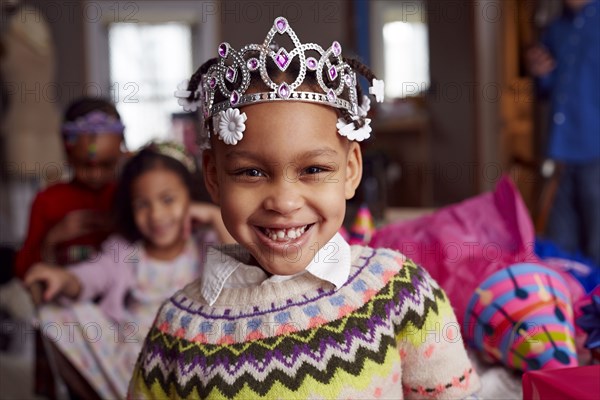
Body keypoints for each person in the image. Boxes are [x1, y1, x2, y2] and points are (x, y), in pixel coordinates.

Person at [129, 17, 480, 399]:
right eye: (251, 172)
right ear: (213, 177)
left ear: (350, 171)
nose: (284, 201)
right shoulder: (177, 329)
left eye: (314, 169)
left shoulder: (400, 293)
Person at [24, 142, 234, 398]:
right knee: (56, 313)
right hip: (136, 357)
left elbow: (240, 272)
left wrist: (214, 217)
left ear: (189, 197)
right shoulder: (126, 251)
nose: (156, 215)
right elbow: (93, 274)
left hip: (193, 352)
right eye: (142, 205)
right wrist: (64, 277)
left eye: (168, 200)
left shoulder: (206, 244)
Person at [14, 97, 127, 279]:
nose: (96, 174)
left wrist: (121, 228)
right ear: (68, 153)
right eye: (85, 165)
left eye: (107, 165)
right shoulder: (47, 201)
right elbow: (23, 270)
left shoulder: (127, 196)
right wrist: (52, 239)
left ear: (120, 152)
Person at [526, 0, 600, 265]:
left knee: (596, 247)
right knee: (559, 250)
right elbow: (549, 88)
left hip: (595, 153)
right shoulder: (556, 29)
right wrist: (540, 73)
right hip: (562, 154)